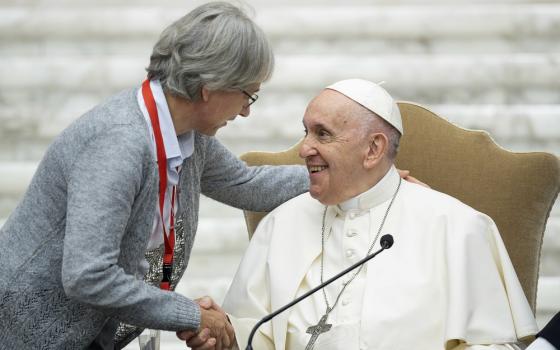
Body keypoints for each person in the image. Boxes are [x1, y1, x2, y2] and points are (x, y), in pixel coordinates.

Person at [0, 2, 311, 349]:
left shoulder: (188, 131)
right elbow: (88, 277)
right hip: (27, 334)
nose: (246, 111)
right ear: (209, 87)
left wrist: (328, 173)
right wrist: (190, 314)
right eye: (247, 94)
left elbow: (245, 184)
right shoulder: (120, 142)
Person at [208, 79, 539, 349]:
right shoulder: (282, 222)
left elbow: (493, 344)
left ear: (373, 149)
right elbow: (247, 333)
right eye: (305, 132)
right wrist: (219, 334)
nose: (304, 148)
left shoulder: (456, 226)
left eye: (322, 133)